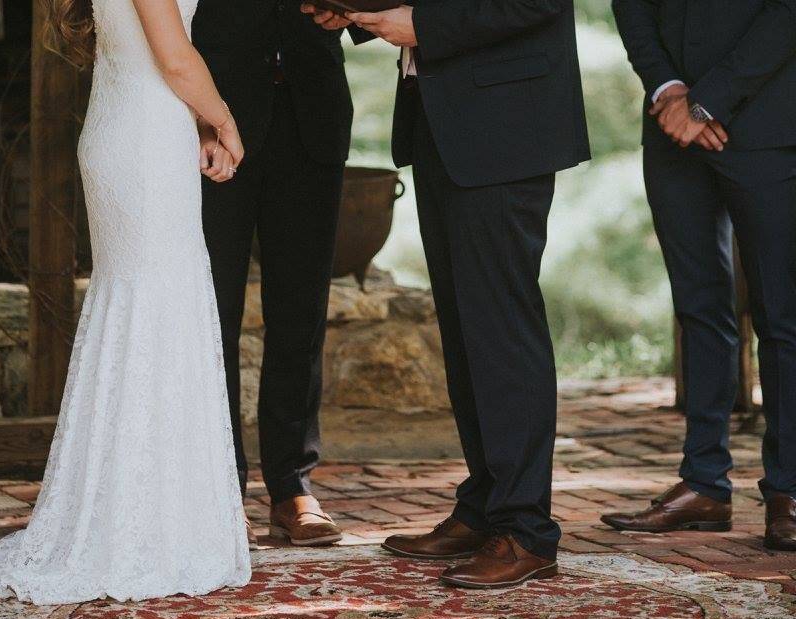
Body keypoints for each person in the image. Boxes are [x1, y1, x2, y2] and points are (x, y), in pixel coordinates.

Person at [0, 0, 252, 604]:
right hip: (144, 140)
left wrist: (198, 124)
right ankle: (141, 529)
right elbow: (175, 58)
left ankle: (150, 515)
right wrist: (224, 119)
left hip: (142, 124)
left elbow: (155, 48)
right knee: (153, 313)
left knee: (146, 314)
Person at [305, 0, 590, 588]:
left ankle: (526, 530)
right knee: (464, 328)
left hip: (505, 124)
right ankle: (486, 506)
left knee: (502, 326)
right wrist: (359, 10)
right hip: (440, 118)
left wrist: (427, 26)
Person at [603, 0, 796, 552]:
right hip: (671, 128)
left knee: (782, 316)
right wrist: (668, 91)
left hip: (768, 120)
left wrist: (708, 102)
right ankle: (704, 483)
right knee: (698, 307)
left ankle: (789, 490)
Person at [191, 0, 360, 548]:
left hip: (312, 111)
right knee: (212, 311)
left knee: (301, 311)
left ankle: (292, 485)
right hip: (217, 116)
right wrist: (195, 113)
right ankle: (218, 487)